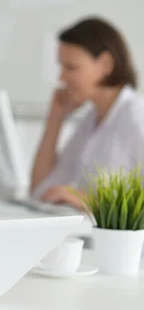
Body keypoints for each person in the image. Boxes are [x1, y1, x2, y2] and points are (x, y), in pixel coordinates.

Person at [31, 17, 144, 209]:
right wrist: (55, 119)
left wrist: (91, 200)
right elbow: (41, 189)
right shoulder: (91, 120)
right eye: (61, 66)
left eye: (71, 67)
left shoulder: (136, 116)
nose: (61, 77)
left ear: (106, 65)